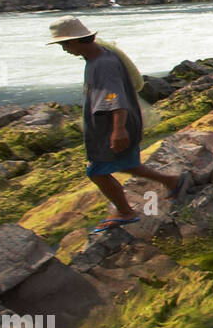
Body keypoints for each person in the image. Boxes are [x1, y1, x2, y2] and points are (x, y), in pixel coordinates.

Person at [47, 16, 188, 233]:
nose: (64, 49)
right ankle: (172, 181)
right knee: (125, 163)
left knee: (96, 171)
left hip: (112, 125)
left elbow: (114, 96)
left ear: (76, 40)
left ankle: (125, 212)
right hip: (112, 124)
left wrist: (118, 129)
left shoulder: (103, 64)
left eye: (64, 44)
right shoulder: (100, 57)